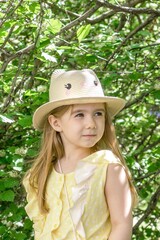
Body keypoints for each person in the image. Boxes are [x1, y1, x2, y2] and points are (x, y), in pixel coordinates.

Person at [23, 69, 138, 240]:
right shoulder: (43, 173)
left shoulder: (107, 167)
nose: (91, 123)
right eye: (79, 115)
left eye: (98, 114)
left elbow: (121, 225)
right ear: (56, 123)